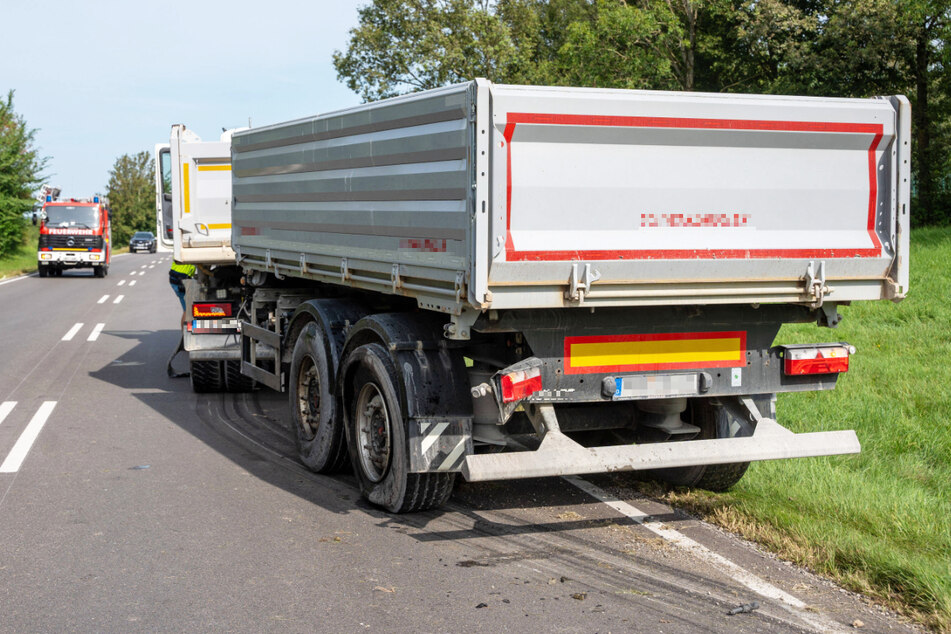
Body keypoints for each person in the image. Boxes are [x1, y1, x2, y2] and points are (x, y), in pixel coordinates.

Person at [167, 260, 196, 378]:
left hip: (174, 277)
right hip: (181, 278)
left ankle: (184, 338)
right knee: (188, 310)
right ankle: (186, 338)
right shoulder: (193, 253)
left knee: (186, 309)